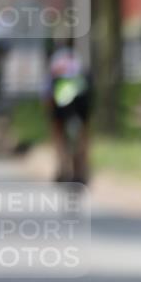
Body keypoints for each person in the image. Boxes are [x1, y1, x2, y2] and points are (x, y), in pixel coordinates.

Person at [44, 39, 93, 184]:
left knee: (57, 131)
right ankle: (81, 170)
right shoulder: (80, 56)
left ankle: (62, 169)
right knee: (84, 132)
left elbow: (47, 89)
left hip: (61, 93)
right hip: (81, 94)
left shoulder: (55, 59)